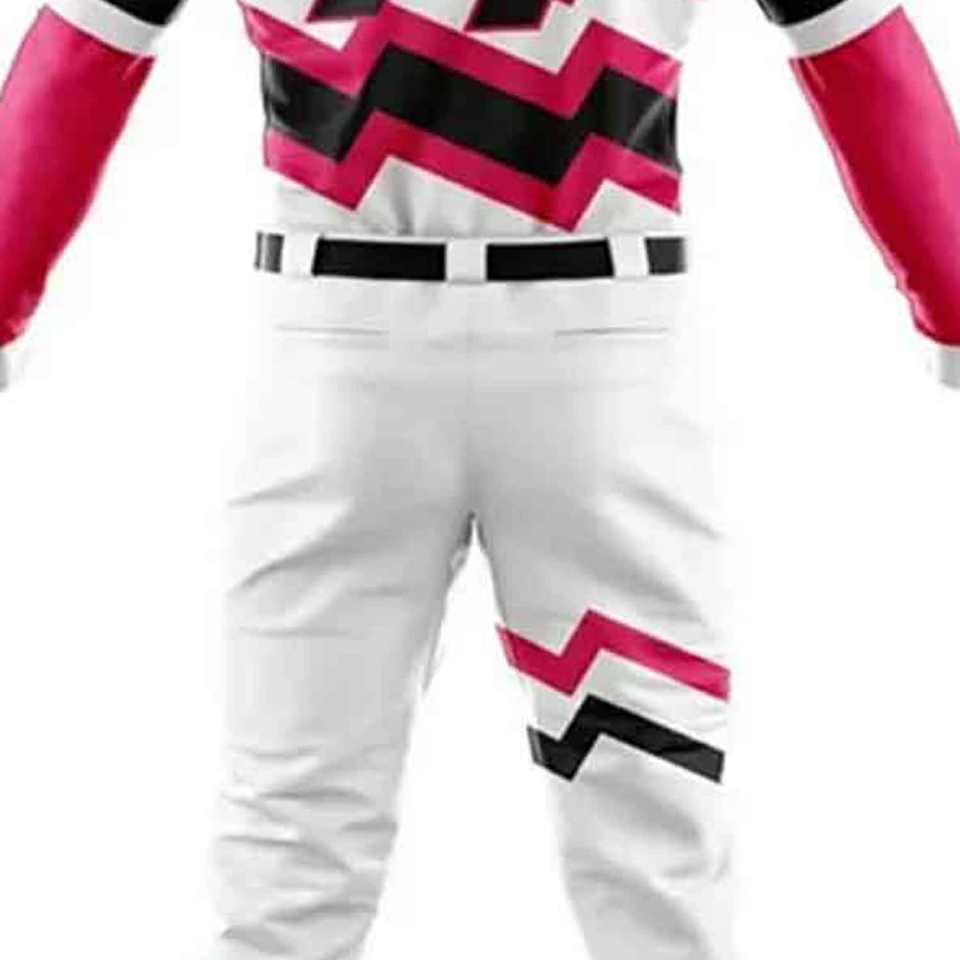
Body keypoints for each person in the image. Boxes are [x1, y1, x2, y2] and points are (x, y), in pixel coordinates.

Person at [0, 0, 958, 957]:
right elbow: (859, 46)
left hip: (342, 353)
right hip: (598, 350)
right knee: (649, 822)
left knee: (293, 832)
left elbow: (80, 52)